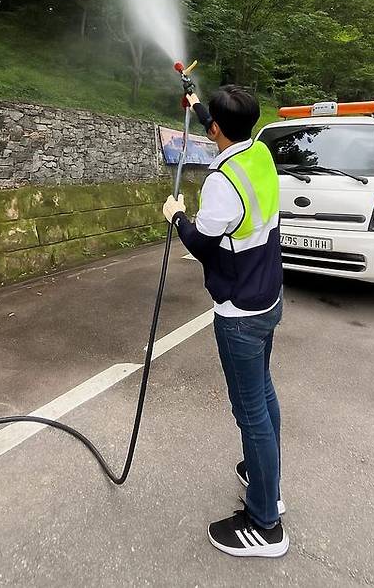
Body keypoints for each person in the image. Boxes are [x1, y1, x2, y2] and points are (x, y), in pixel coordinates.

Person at [162, 85, 288, 559]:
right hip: (268, 298)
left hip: (239, 314)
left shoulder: (221, 182)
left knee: (250, 413)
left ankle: (265, 522)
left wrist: (177, 217)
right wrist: (196, 102)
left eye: (209, 121)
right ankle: (264, 478)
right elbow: (223, 129)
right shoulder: (259, 154)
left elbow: (202, 243)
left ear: (216, 129)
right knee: (264, 397)